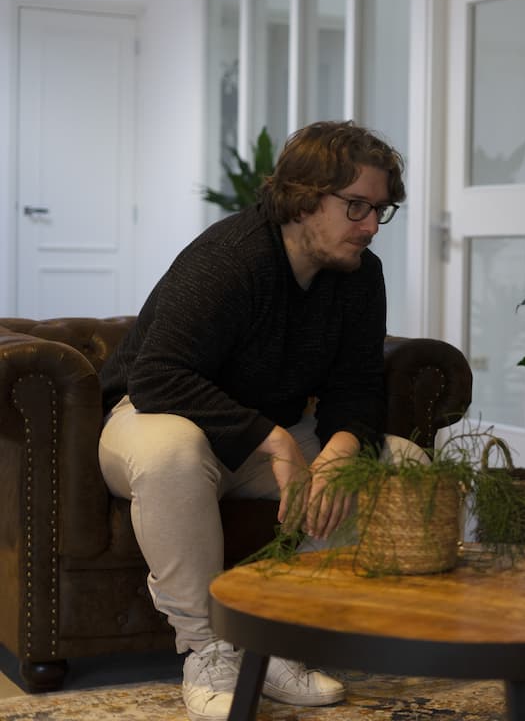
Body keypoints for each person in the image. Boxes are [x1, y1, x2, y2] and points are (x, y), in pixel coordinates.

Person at [98, 120, 408, 721]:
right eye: (356, 206)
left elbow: (357, 385)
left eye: (380, 210)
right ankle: (207, 649)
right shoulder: (231, 257)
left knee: (400, 466)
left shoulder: (360, 276)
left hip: (261, 437)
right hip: (153, 418)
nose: (371, 226)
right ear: (304, 198)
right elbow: (156, 376)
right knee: (174, 450)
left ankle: (277, 636)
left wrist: (341, 450)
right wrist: (276, 441)